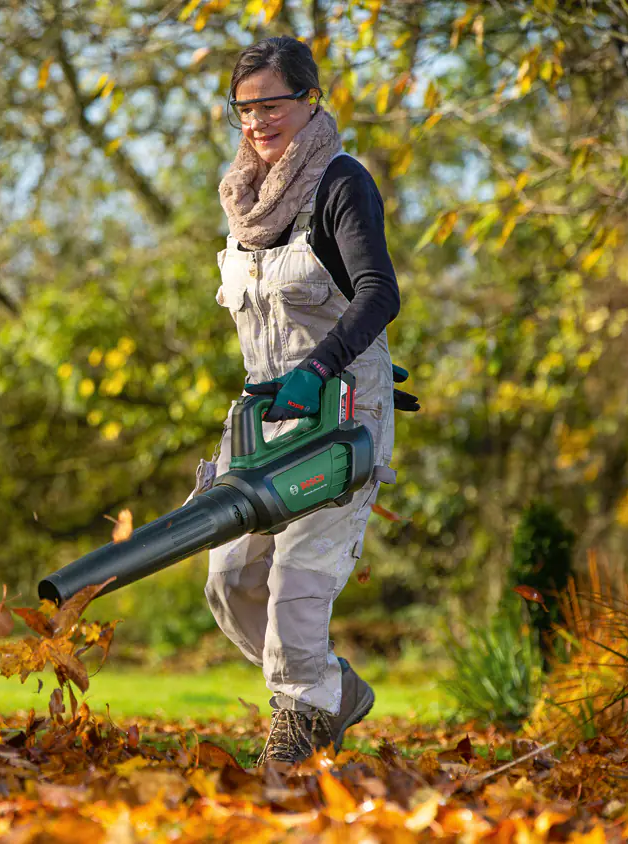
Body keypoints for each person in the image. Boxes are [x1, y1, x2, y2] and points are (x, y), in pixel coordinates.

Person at [201, 35, 408, 768]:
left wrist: (321, 366)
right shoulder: (243, 201)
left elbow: (378, 292)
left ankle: (295, 740)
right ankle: (328, 689)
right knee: (229, 583)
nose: (258, 122)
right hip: (264, 422)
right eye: (245, 109)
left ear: (309, 100)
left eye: (272, 104)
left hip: (338, 412)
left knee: (296, 584)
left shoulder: (340, 182)